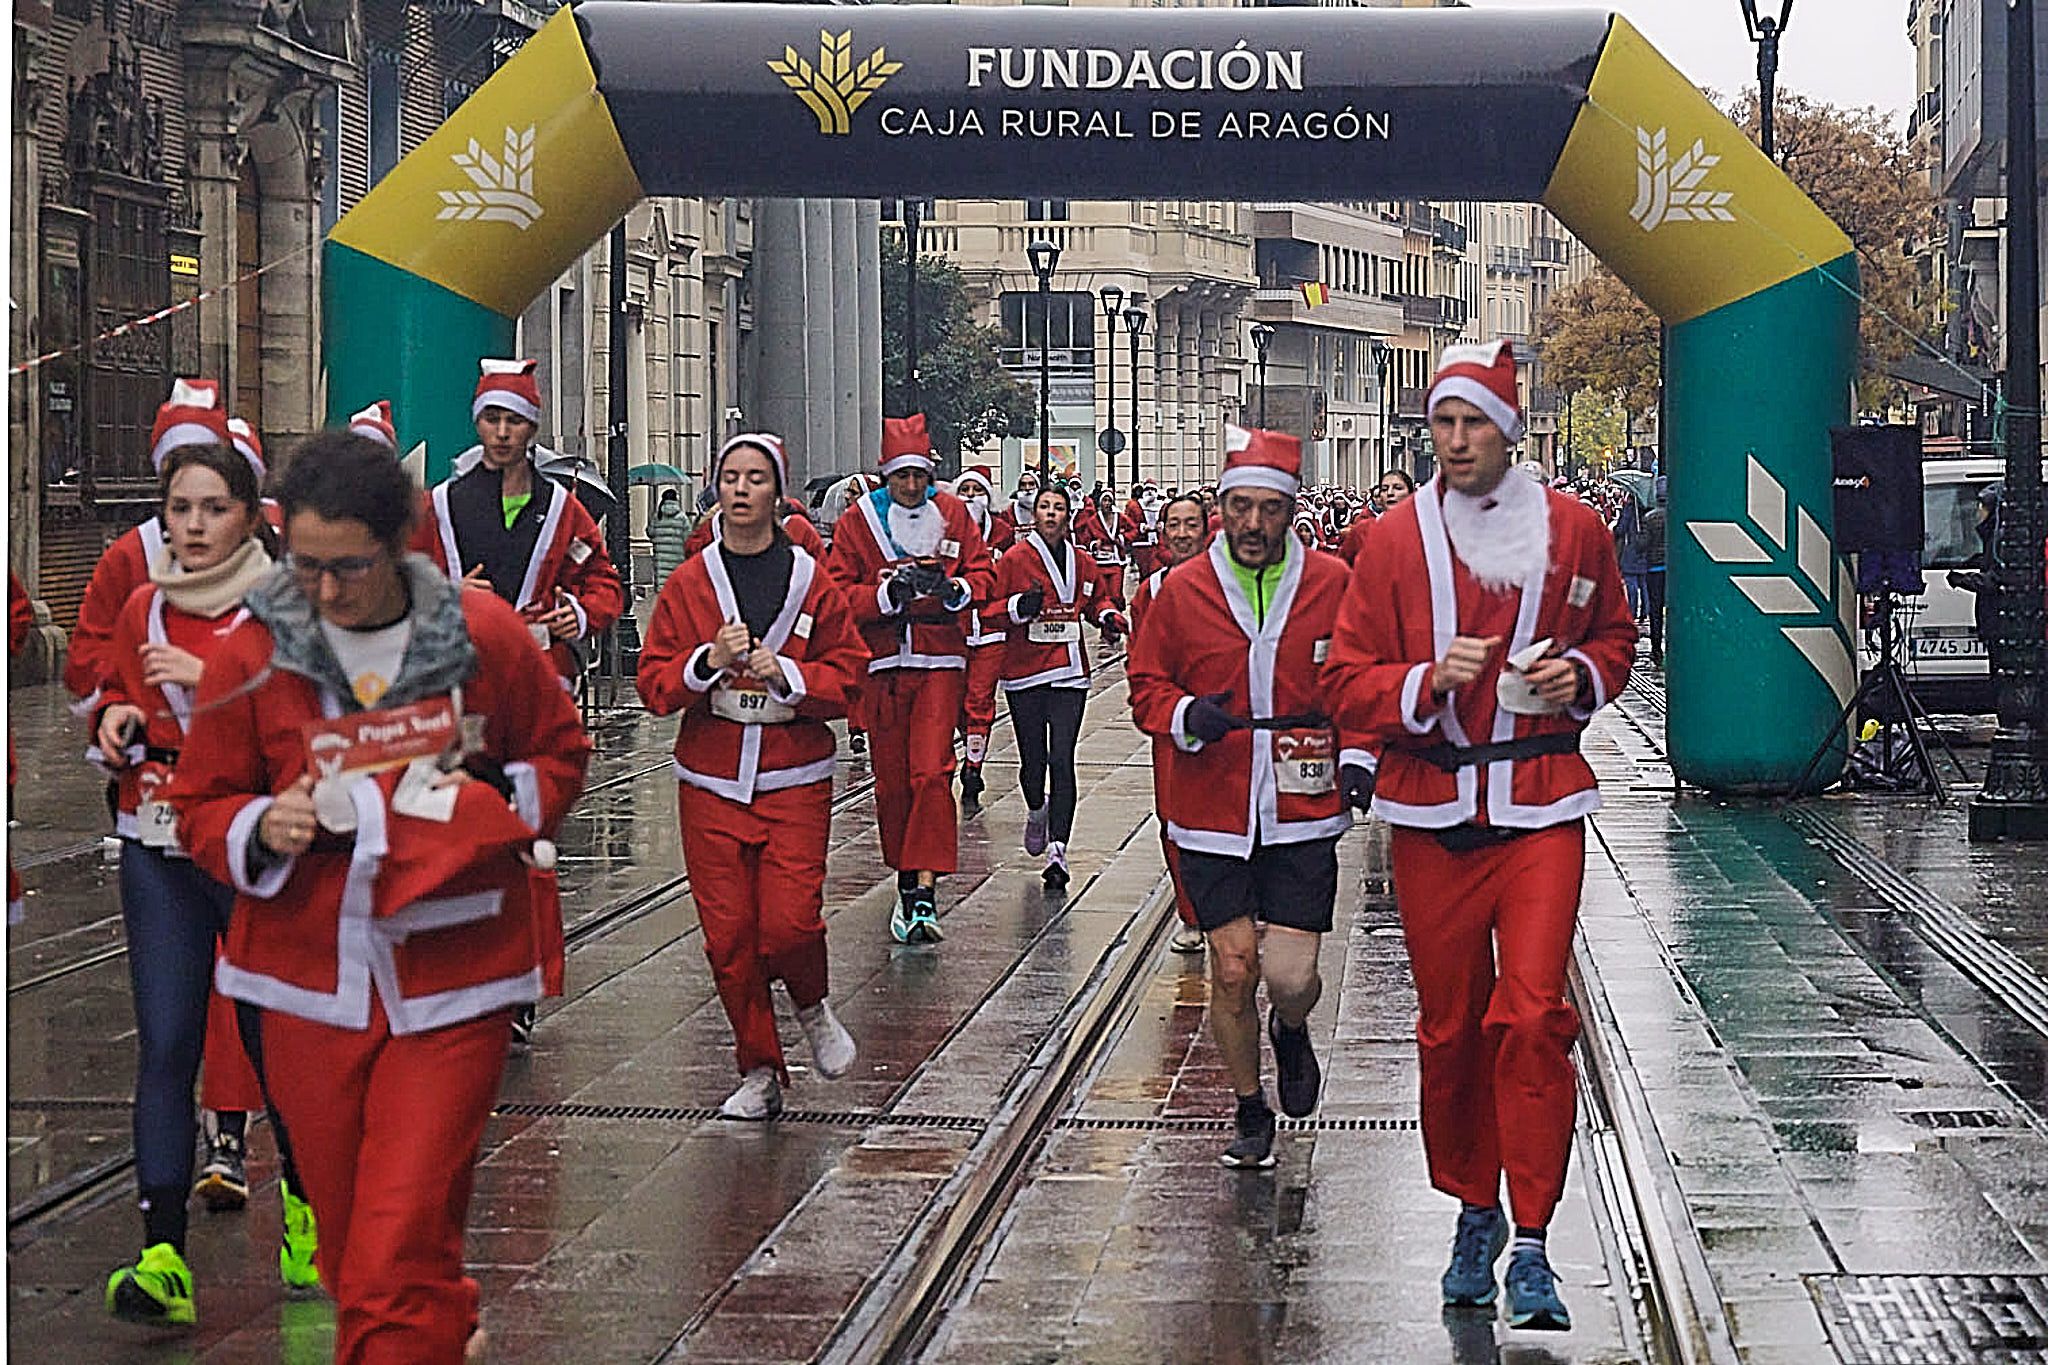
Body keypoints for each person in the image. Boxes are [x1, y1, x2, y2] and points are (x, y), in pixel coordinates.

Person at [171, 429, 590, 1363]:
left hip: (455, 977)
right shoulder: (255, 653)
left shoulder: (482, 638)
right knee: (359, 1254)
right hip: (308, 983)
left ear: (399, 542)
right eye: (303, 565)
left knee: (398, 1235)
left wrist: (477, 809)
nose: (322, 592)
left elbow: (558, 754)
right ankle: (440, 1334)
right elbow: (201, 801)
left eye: (347, 568)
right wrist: (257, 827)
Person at [1326, 340, 1635, 1331]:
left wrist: (1578, 679)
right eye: (1442, 424)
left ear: (1508, 432)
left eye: (1473, 425)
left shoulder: (1575, 530)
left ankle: (1535, 1240)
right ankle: (1473, 1205)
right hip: (1430, 812)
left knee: (1533, 1016)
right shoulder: (1387, 542)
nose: (1455, 442)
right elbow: (1342, 682)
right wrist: (1424, 683)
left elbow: (1615, 641)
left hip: (1541, 803)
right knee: (1450, 1026)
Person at [94, 441, 321, 1325]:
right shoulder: (144, 606)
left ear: (249, 514)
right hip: (158, 844)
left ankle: (306, 1204)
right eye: (178, 508)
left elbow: (311, 730)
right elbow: (118, 695)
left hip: (255, 850)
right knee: (168, 1039)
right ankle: (162, 1253)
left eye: (212, 508)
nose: (192, 525)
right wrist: (117, 720)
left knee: (278, 1046)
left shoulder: (286, 610)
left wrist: (216, 683)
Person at [1128, 426, 1369, 1170]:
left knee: (1291, 976)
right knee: (1232, 967)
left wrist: (1359, 755)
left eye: (1269, 509)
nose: (1253, 525)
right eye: (1239, 508)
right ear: (1220, 511)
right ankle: (1248, 1105)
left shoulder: (1332, 583)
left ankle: (1290, 1032)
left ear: (1290, 512)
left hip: (1301, 801)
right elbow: (1145, 685)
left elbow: (1361, 676)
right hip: (1211, 805)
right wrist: (1182, 716)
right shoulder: (1181, 592)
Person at [637, 434, 866, 1120]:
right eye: (730, 477)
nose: (740, 489)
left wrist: (789, 675)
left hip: (794, 774)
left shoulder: (809, 578)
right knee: (729, 936)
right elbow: (654, 682)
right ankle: (760, 1067)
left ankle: (811, 1003)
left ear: (777, 493)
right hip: (710, 780)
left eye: (754, 478)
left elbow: (849, 674)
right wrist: (704, 663)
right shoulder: (688, 582)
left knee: (790, 925)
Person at [825, 414, 995, 943]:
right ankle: (904, 875)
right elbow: (836, 593)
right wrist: (887, 595)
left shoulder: (953, 515)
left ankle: (925, 888)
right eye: (902, 477)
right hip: (884, 664)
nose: (913, 486)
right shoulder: (859, 523)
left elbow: (983, 572)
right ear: (885, 477)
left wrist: (953, 591)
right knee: (893, 780)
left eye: (920, 475)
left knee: (930, 772)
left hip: (939, 660)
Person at [415, 358, 625, 681]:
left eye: (514, 420)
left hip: (540, 674)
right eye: (491, 419)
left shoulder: (562, 509)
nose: (502, 433)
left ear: (532, 427)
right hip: (463, 672)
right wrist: (447, 594)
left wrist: (581, 613)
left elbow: (603, 581)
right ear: (477, 422)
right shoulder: (440, 505)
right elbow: (399, 584)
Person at [982, 485, 1127, 888]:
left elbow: (1098, 600)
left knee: (1062, 757)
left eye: (1059, 508)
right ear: (1035, 512)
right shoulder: (1014, 559)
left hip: (1069, 673)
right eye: (1045, 506)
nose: (1051, 514)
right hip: (1026, 673)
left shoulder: (1081, 560)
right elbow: (990, 611)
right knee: (1034, 762)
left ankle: (1058, 851)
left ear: (1068, 515)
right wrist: (1017, 608)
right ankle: (1035, 809)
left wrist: (1109, 616)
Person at [1128, 493, 1210, 955]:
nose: (1181, 534)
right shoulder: (1151, 590)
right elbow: (1139, 658)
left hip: (1225, 718)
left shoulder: (1227, 579)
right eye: (1173, 525)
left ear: (1205, 530)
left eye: (1189, 525)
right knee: (1173, 816)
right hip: (1172, 720)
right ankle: (1191, 914)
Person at [951, 466, 1013, 811]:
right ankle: (969, 748)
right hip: (955, 632)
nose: (971, 496)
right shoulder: (946, 533)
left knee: (980, 700)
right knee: (958, 703)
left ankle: (973, 768)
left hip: (991, 631)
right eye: (965, 489)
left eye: (978, 490)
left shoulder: (1003, 534)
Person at [650, 486, 692, 588]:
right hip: (678, 559)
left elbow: (650, 532)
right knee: (675, 588)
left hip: (660, 561)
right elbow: (689, 538)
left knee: (662, 587)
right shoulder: (682, 518)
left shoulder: (658, 516)